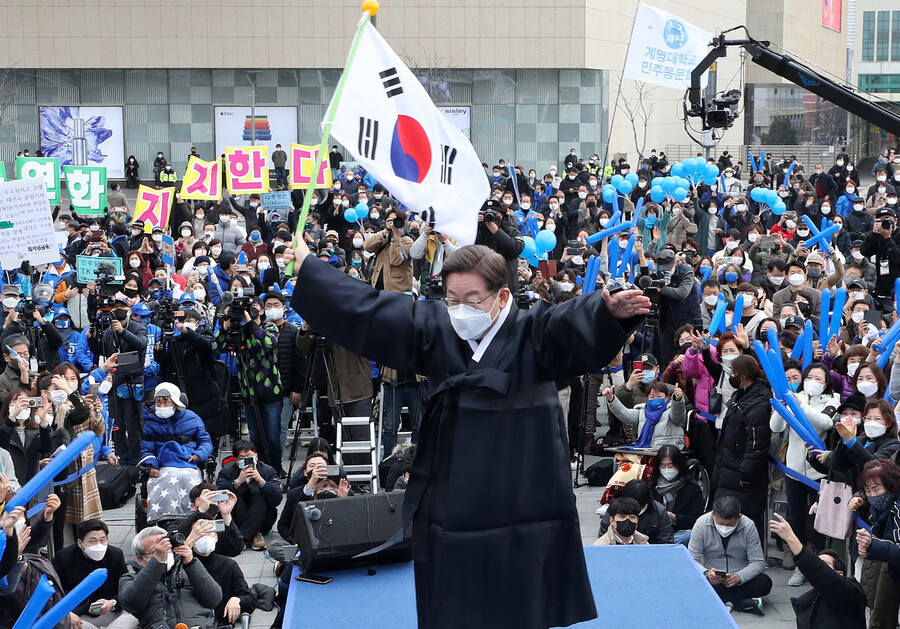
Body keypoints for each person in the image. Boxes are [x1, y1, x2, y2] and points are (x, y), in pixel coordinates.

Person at [283, 240, 649, 628]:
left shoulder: (534, 331)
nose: (460, 309)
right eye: (452, 298)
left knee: (523, 593)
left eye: (472, 299)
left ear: (502, 294)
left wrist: (604, 311)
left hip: (525, 485)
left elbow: (569, 322)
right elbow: (371, 310)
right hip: (456, 488)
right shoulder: (438, 326)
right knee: (454, 591)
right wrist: (310, 268)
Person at [769, 513, 867, 629]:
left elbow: (820, 572)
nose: (817, 566)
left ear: (839, 573)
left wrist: (791, 538)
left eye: (824, 564)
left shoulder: (851, 593)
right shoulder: (810, 600)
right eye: (818, 561)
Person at [711, 354, 772, 540]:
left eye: (734, 372)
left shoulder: (757, 405)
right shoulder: (742, 396)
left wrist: (746, 473)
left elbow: (757, 445)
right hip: (728, 469)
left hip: (742, 478)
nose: (731, 376)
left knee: (746, 526)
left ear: (743, 375)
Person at [119, 524, 223, 629]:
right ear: (141, 558)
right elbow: (131, 603)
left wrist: (191, 563)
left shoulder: (189, 571)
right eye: (156, 551)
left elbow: (214, 599)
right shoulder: (131, 579)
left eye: (168, 548)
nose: (165, 553)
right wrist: (157, 562)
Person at [140, 383, 213, 522]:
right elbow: (146, 449)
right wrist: (152, 464)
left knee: (187, 479)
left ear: (175, 401)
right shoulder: (150, 422)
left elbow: (206, 442)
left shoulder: (192, 418)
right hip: (163, 464)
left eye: (165, 401)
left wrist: (199, 454)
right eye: (158, 402)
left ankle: (191, 516)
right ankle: (163, 518)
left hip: (188, 462)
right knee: (163, 480)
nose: (161, 405)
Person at [689, 495, 771, 615]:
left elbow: (758, 562)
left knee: (765, 583)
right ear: (713, 515)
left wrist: (739, 577)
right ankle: (740, 602)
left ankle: (723, 599)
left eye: (730, 524)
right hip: (711, 576)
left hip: (739, 577)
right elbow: (692, 559)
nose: (725, 528)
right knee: (692, 582)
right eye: (721, 523)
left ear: (739, 518)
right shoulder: (701, 523)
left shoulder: (748, 526)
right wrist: (707, 574)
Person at [52, 519, 138, 629]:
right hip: (79, 615)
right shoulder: (63, 558)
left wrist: (112, 602)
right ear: (80, 543)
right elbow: (54, 593)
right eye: (93, 541)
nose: (99, 545)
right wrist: (66, 613)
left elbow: (125, 587)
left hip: (111, 611)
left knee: (137, 611)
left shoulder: (115, 555)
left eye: (103, 540)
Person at [215, 441, 282, 550]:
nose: (246, 461)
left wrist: (261, 481)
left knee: (261, 494)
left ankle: (240, 540)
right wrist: (237, 482)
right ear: (236, 460)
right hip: (237, 517)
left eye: (250, 457)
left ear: (256, 456)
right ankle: (255, 535)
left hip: (263, 518)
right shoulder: (227, 471)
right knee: (232, 495)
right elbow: (219, 495)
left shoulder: (268, 470)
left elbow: (277, 499)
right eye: (242, 458)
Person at [649, 445, 705, 546]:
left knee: (688, 535)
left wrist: (675, 518)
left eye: (671, 466)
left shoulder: (692, 488)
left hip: (679, 533)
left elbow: (697, 520)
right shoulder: (653, 486)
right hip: (656, 532)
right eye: (663, 466)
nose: (667, 470)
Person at [597, 479, 675, 544]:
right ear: (612, 520)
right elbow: (604, 535)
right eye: (622, 516)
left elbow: (666, 541)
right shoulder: (614, 509)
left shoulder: (659, 511)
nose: (628, 520)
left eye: (633, 516)